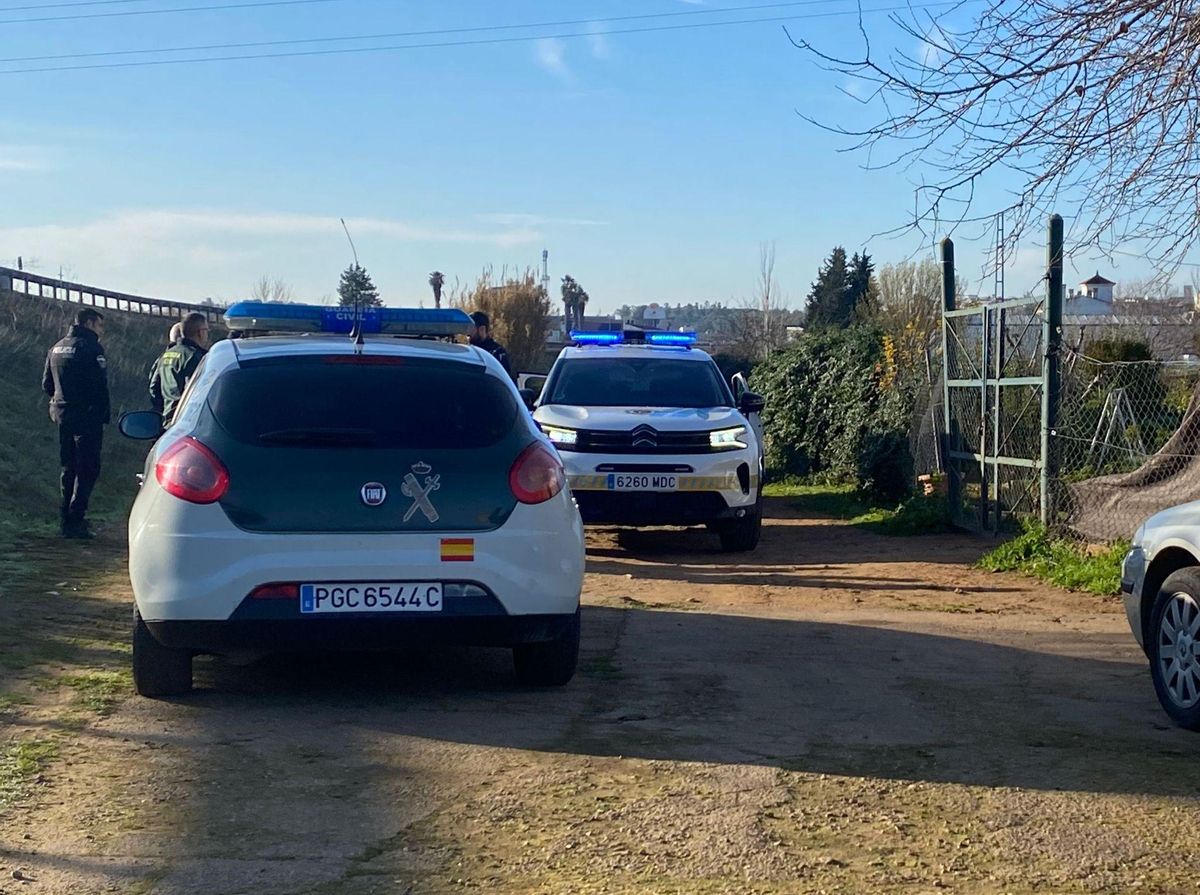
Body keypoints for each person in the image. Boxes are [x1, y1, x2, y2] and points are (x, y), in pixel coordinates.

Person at [42, 308, 110, 539]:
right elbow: (99, 386)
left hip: (62, 413)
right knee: (87, 467)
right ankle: (76, 518)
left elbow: (47, 385)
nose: (101, 331)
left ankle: (65, 517)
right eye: (100, 326)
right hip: (87, 416)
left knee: (68, 466)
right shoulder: (91, 348)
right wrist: (100, 412)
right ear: (90, 323)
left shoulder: (56, 347)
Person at [152, 312, 210, 426]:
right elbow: (196, 393)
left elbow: (154, 388)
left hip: (167, 422)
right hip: (186, 423)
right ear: (200, 332)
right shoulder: (195, 357)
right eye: (207, 330)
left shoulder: (165, 355)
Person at [148, 321, 184, 415]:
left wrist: (160, 408)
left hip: (166, 413)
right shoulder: (189, 356)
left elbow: (153, 386)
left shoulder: (162, 358)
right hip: (183, 414)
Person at [469, 311, 514, 380]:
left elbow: (504, 381)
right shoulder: (467, 351)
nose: (468, 334)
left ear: (482, 329)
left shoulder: (497, 353)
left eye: (471, 329)